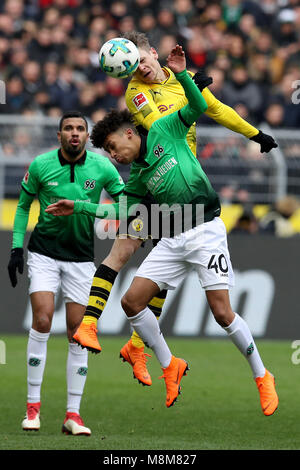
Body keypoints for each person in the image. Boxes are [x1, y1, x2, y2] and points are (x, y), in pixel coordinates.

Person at [46, 45, 279, 416]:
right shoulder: (137, 175)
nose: (112, 156)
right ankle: (170, 364)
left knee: (222, 314)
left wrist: (185, 75)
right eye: (106, 152)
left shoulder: (166, 128)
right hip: (171, 235)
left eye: (111, 147)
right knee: (131, 302)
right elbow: (124, 209)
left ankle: (262, 375)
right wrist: (80, 205)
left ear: (127, 133)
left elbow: (203, 107)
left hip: (204, 229)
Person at [7, 111, 124, 435]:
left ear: (87, 136)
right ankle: (33, 409)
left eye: (80, 129)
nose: (74, 133)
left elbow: (126, 204)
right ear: (59, 135)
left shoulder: (102, 167)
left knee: (77, 331)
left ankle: (73, 414)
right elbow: (22, 206)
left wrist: (89, 209)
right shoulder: (41, 165)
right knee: (42, 320)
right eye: (68, 128)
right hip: (44, 252)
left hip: (82, 257)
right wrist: (17, 248)